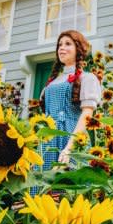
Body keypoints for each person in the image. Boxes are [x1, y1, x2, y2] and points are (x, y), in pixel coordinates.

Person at [37, 30, 102, 173]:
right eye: (60, 44)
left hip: (70, 138)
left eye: (68, 44)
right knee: (41, 186)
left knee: (66, 188)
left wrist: (69, 148)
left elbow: (87, 114)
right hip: (47, 141)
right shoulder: (52, 81)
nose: (61, 47)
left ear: (78, 49)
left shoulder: (87, 78)